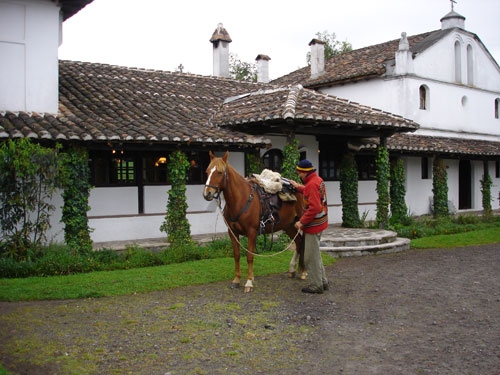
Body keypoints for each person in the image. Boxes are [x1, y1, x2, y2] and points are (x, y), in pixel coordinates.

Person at [290, 159, 329, 294]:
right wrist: (298, 186)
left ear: (305, 173)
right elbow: (309, 191)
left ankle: (315, 285)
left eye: (300, 173)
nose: (299, 175)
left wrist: (302, 222)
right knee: (315, 254)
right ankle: (323, 281)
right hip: (321, 222)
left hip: (313, 225)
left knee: (310, 257)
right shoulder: (317, 180)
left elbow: (315, 207)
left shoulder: (311, 184)